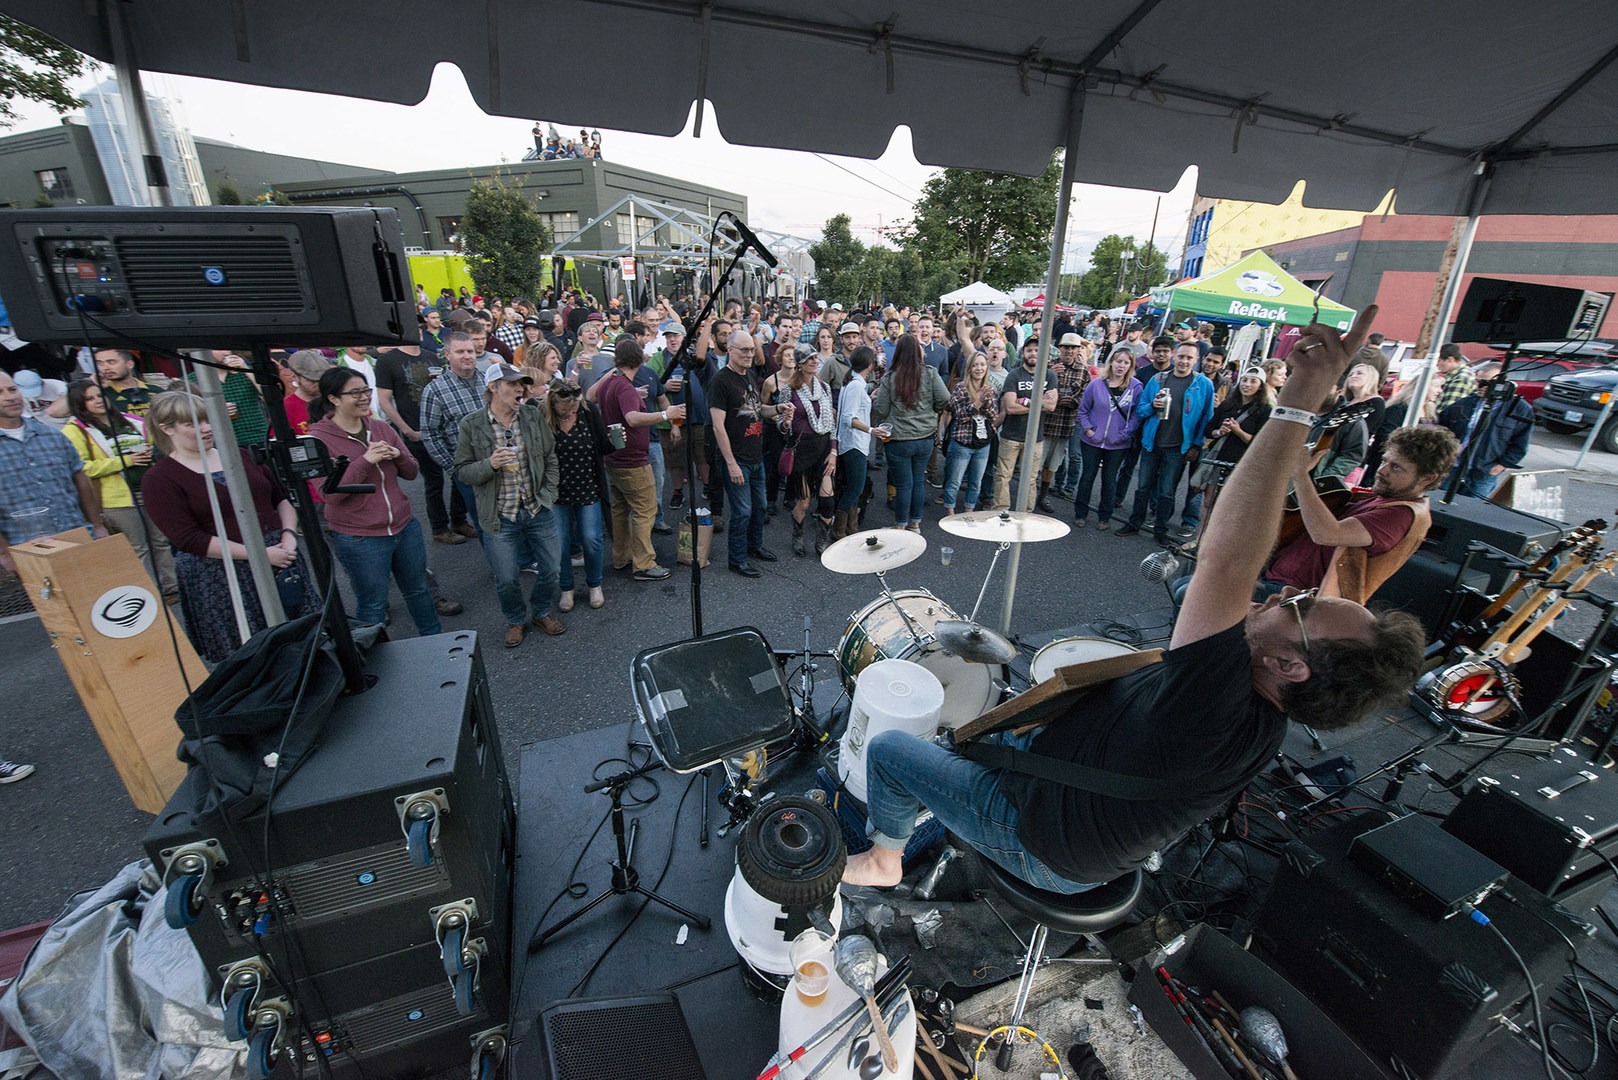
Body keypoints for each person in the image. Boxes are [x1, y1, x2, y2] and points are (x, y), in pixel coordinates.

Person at [842, 305, 1428, 894]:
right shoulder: (1259, 711)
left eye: (1302, 606)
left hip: (1037, 838)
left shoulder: (1216, 697)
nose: (1292, 593)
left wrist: (1299, 399)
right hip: (1089, 838)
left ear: (1290, 665)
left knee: (890, 749)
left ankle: (884, 859)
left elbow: (1228, 560)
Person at [141, 393, 318, 665]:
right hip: (221, 574)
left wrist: (289, 535)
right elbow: (188, 539)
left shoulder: (240, 454)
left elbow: (280, 498)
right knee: (253, 656)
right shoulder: (159, 478)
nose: (206, 428)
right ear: (167, 429)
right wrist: (259, 555)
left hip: (281, 556)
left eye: (207, 419)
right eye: (193, 423)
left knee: (307, 640)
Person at [308, 368, 441, 637]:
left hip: (404, 526)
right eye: (355, 392)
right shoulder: (318, 438)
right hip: (360, 537)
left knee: (418, 590)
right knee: (373, 603)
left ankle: (437, 643)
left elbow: (411, 472)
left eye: (366, 390)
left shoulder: (380, 428)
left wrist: (397, 455)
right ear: (333, 399)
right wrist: (365, 461)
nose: (364, 397)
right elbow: (328, 494)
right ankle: (374, 656)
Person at [1266, 424, 1459, 603]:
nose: (1382, 471)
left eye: (1396, 467)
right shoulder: (1384, 498)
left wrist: (1301, 476)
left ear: (1427, 478)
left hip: (1294, 598)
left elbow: (1327, 533)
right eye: (1384, 460)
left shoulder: (1401, 515)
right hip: (1277, 578)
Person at [454, 363, 564, 648]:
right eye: (513, 384)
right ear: (493, 387)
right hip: (500, 516)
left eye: (522, 384)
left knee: (552, 569)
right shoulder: (472, 424)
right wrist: (490, 464)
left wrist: (549, 493)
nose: (521, 389)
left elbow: (550, 456)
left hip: (537, 509)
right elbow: (462, 471)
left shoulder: (531, 415)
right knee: (506, 578)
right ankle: (515, 619)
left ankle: (541, 611)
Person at [61, 380, 176, 600]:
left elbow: (159, 445)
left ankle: (172, 587)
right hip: (117, 499)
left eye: (99, 395)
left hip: (150, 490)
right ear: (78, 403)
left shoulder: (131, 420)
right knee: (138, 546)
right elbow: (82, 468)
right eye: (89, 398)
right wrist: (125, 461)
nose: (98, 401)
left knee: (161, 541)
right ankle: (149, 593)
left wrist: (150, 454)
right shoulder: (74, 430)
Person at [593, 337, 683, 581]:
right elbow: (632, 418)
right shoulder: (624, 386)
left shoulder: (611, 382)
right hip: (632, 460)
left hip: (613, 458)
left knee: (620, 509)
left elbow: (593, 396)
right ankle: (643, 564)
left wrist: (633, 394)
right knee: (645, 509)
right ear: (640, 359)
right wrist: (666, 414)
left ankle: (621, 556)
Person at [0, 371, 105, 579]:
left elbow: (80, 480)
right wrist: (4, 553)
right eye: (0, 393)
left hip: (77, 536)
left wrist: (97, 526)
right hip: (26, 548)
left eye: (12, 389)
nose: (10, 397)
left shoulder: (52, 435)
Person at [374, 339, 475, 546]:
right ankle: (440, 528)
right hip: (414, 429)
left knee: (458, 475)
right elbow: (384, 400)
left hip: (440, 425)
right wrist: (406, 430)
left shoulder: (430, 356)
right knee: (434, 481)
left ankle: (459, 520)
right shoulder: (388, 360)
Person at [710, 329, 792, 577]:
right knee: (742, 511)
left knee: (760, 506)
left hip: (755, 456)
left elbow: (756, 410)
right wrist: (731, 463)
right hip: (737, 459)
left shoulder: (750, 375)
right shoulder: (720, 381)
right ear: (730, 350)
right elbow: (717, 426)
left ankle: (754, 546)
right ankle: (737, 559)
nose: (749, 354)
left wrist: (777, 408)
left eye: (751, 349)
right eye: (744, 350)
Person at [1118, 342, 1214, 545]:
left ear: (1196, 360)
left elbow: (1207, 418)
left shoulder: (1203, 384)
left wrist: (1196, 445)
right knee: (1143, 487)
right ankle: (1134, 523)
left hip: (1178, 447)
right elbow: (1140, 410)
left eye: (1189, 357)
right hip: (1152, 443)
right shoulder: (1158, 379)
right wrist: (1152, 406)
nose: (1184, 361)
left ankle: (1160, 530)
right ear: (1174, 356)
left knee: (1167, 491)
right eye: (1181, 356)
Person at [1183, 367, 1273, 545]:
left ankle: (1217, 542)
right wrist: (1220, 431)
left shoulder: (1265, 410)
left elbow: (1261, 442)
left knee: (1229, 505)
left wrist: (1238, 431)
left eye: (1253, 381)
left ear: (1261, 386)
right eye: (1245, 380)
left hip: (1241, 464)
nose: (1247, 384)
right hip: (1218, 459)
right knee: (1208, 501)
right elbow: (1209, 429)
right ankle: (1200, 539)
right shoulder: (1228, 405)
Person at [873, 335, 950, 531]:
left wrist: (874, 399)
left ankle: (900, 525)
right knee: (918, 482)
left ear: (898, 353)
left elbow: (881, 410)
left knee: (903, 485)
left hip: (898, 439)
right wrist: (933, 410)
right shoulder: (930, 373)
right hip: (924, 437)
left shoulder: (890, 378)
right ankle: (915, 523)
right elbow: (944, 398)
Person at [545, 381, 610, 611]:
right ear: (553, 403)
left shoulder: (588, 411)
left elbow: (603, 445)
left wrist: (616, 439)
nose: (570, 412)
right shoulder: (542, 417)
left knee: (591, 539)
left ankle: (595, 584)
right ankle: (566, 588)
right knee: (561, 544)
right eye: (565, 409)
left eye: (573, 408)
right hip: (556, 493)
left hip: (587, 487)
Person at [419, 332, 489, 538]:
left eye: (470, 351)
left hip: (496, 464)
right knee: (484, 523)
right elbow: (430, 434)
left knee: (505, 520)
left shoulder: (488, 382)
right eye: (460, 352)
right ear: (447, 355)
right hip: (467, 469)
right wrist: (454, 467)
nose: (467, 356)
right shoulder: (435, 390)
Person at [1437, 361, 1534, 500]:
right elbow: (1442, 428)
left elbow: (1520, 443)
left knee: (1471, 508)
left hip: (1484, 472)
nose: (1480, 386)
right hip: (1453, 468)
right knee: (1439, 501)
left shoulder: (1519, 409)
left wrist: (1501, 465)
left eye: (1486, 383)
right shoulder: (1466, 403)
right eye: (1478, 381)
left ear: (1503, 385)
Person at [1072, 347, 1144, 530]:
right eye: (1118, 361)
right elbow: (1083, 409)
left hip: (1118, 443)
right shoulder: (1096, 384)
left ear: (1131, 366)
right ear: (1111, 362)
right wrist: (1088, 429)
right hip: (1092, 440)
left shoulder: (1136, 387)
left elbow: (1137, 415)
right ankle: (1080, 513)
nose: (1121, 366)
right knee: (1087, 477)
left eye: (1126, 362)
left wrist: (1125, 433)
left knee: (1109, 479)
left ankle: (1105, 516)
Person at [782, 349, 839, 555]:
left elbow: (831, 423)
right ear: (799, 364)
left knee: (827, 500)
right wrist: (785, 422)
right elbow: (782, 425)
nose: (814, 361)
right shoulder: (789, 390)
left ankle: (822, 540)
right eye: (809, 359)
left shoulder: (824, 387)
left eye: (815, 358)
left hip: (823, 449)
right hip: (801, 451)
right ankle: (797, 535)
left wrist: (833, 452)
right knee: (804, 502)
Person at [992, 338, 1059, 511]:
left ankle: (1025, 514)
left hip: (1035, 438)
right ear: (1023, 353)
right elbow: (1010, 407)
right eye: (1029, 350)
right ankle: (1000, 511)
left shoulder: (1050, 376)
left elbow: (1051, 406)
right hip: (1011, 436)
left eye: (1037, 350)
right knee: (1003, 476)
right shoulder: (1014, 375)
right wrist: (1039, 402)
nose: (1033, 353)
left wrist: (1024, 401)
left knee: (1030, 479)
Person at [938, 352, 998, 516]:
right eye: (975, 365)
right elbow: (961, 416)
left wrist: (986, 401)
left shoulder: (990, 389)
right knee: (955, 481)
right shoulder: (960, 387)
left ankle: (968, 512)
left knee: (976, 482)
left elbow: (994, 416)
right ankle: (950, 512)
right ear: (969, 368)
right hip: (962, 442)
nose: (979, 368)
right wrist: (978, 402)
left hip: (982, 443)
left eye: (982, 365)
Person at [1036, 334, 1091, 512]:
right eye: (1066, 347)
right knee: (1035, 463)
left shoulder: (1084, 372)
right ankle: (1029, 494)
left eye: (1073, 348)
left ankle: (1043, 496)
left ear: (1078, 350)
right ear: (1059, 348)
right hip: (1044, 423)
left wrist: (1074, 402)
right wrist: (1049, 374)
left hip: (1065, 425)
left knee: (1052, 465)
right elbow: (1033, 388)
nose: (1069, 351)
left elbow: (1087, 398)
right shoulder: (1048, 365)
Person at [832, 348, 876, 541]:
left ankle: (851, 527)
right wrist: (872, 430)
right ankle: (839, 530)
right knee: (855, 489)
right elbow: (849, 418)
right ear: (870, 365)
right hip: (854, 444)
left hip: (852, 443)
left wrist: (870, 398)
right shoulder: (857, 386)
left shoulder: (853, 383)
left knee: (853, 487)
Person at [1433, 344, 1478, 414]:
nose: (1436, 364)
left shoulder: (1461, 378)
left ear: (1450, 359)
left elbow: (1449, 408)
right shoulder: (1453, 374)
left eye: (1439, 361)